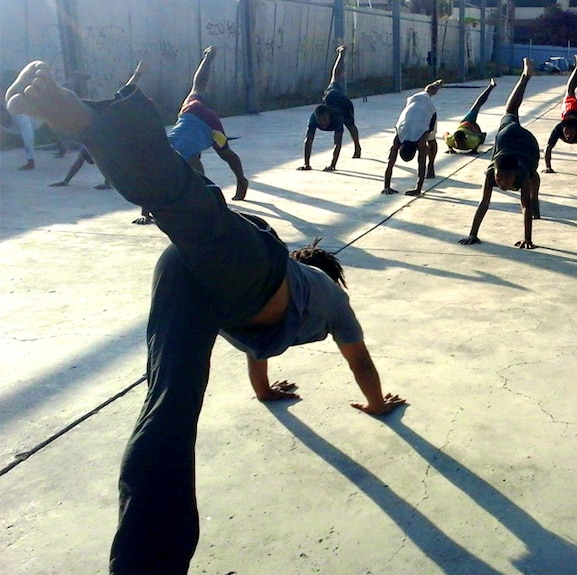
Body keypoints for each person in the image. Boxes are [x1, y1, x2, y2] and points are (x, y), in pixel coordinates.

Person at [6, 60, 405, 575]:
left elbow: (257, 355)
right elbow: (360, 364)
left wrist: (264, 391)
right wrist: (377, 405)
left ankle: (142, 565)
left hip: (195, 278)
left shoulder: (292, 306)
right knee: (189, 211)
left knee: (167, 404)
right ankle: (91, 122)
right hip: (250, 270)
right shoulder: (328, 293)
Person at [459, 58, 541, 249]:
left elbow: (524, 206)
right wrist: (473, 234)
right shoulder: (490, 175)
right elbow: (483, 203)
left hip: (528, 144)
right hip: (506, 138)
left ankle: (525, 76)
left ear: (514, 175)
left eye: (507, 179)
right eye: (500, 179)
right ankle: (525, 76)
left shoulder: (521, 174)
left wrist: (527, 238)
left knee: (533, 176)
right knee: (510, 111)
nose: (502, 184)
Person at [167, 45, 249, 201]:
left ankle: (241, 180)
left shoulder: (187, 156)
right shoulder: (163, 151)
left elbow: (203, 184)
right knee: (197, 88)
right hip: (188, 113)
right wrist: (145, 213)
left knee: (224, 153)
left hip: (209, 124)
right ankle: (208, 57)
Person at [51, 62, 148, 190]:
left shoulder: (109, 115)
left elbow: (128, 88)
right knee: (88, 155)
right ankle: (76, 180)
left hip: (108, 133)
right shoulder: (93, 133)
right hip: (100, 131)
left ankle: (109, 182)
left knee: (108, 157)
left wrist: (138, 73)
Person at [298, 45, 361, 171]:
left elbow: (337, 144)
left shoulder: (337, 118)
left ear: (329, 116)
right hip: (330, 97)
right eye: (321, 121)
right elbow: (308, 141)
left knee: (350, 125)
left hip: (342, 103)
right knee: (335, 78)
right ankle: (341, 55)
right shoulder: (313, 119)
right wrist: (306, 163)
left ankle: (357, 146)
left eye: (324, 121)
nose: (323, 123)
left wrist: (333, 165)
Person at [381, 78, 443, 196]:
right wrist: (386, 187)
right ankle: (436, 85)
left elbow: (421, 165)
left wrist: (418, 189)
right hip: (413, 103)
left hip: (428, 111)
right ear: (401, 146)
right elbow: (390, 163)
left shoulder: (419, 141)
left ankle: (432, 165)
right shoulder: (399, 137)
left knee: (431, 139)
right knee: (428, 91)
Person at [543, 55, 577, 175]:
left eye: (570, 133)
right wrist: (548, 167)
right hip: (569, 112)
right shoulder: (558, 129)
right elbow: (548, 148)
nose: (568, 136)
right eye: (566, 132)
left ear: (576, 130)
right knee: (569, 92)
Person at [443, 77, 496, 154]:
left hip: (470, 124)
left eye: (461, 142)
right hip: (464, 128)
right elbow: (445, 134)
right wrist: (450, 148)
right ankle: (491, 86)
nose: (459, 144)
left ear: (465, 139)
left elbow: (480, 137)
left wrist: (474, 150)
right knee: (476, 106)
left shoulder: (472, 142)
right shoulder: (450, 140)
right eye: (457, 142)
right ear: (454, 140)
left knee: (477, 106)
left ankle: (491, 86)